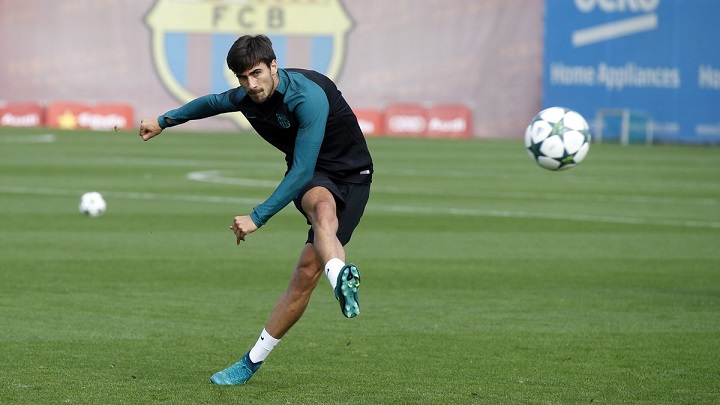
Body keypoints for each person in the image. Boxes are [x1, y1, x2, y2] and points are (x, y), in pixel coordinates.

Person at [138, 34, 373, 385]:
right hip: (313, 176)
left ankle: (334, 276)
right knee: (323, 212)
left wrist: (258, 216)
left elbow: (303, 170)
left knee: (306, 273)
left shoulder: (307, 97)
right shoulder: (246, 96)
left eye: (257, 74)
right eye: (243, 78)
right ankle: (338, 277)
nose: (251, 84)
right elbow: (211, 103)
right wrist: (164, 120)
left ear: (273, 66)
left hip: (352, 175)